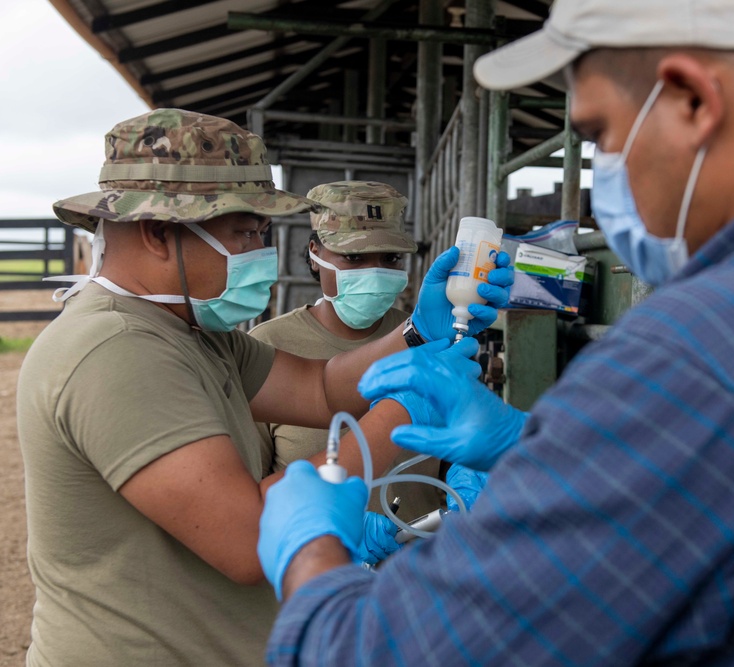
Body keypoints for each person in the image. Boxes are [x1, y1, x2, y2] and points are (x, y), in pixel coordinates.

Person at [257, 0, 734, 664]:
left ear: (689, 97)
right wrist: (528, 445)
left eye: (602, 134)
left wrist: (307, 546)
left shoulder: (698, 359)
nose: (606, 172)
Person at [16, 108, 512, 666]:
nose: (260, 250)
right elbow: (251, 536)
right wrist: (412, 405)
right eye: (244, 231)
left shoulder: (190, 330)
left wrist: (418, 334)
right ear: (159, 233)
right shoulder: (116, 350)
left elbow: (319, 389)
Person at [250, 181, 443, 523]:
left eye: (391, 258)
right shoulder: (269, 345)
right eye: (353, 257)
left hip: (417, 558)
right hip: (315, 562)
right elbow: (251, 490)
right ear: (315, 254)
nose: (373, 271)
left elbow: (456, 448)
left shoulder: (430, 339)